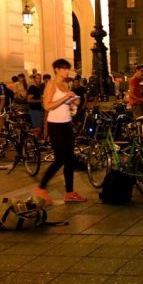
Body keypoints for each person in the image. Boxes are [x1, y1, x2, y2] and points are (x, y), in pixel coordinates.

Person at [33, 58, 86, 205]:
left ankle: (69, 192)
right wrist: (65, 98)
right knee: (61, 159)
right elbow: (47, 106)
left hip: (66, 123)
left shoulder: (65, 84)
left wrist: (74, 101)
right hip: (55, 125)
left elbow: (70, 102)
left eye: (67, 69)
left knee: (69, 159)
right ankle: (41, 188)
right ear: (56, 69)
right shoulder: (51, 85)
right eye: (64, 69)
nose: (66, 71)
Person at [26, 73, 44, 137]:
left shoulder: (37, 88)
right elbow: (29, 100)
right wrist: (41, 101)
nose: (39, 80)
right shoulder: (32, 88)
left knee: (39, 127)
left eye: (40, 78)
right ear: (34, 79)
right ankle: (36, 143)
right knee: (37, 128)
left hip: (38, 110)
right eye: (37, 78)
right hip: (34, 110)